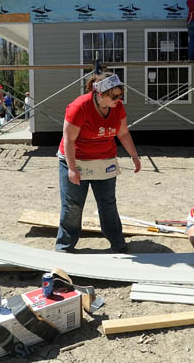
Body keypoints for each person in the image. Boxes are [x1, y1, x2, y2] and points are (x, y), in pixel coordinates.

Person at [56, 72, 142, 253]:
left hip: (104, 158)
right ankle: (65, 246)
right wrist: (72, 169)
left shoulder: (117, 108)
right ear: (100, 94)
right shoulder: (79, 107)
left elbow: (123, 133)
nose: (118, 100)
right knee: (73, 204)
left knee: (108, 202)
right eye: (114, 96)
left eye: (121, 95)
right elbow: (69, 139)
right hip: (75, 158)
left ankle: (117, 242)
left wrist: (134, 155)